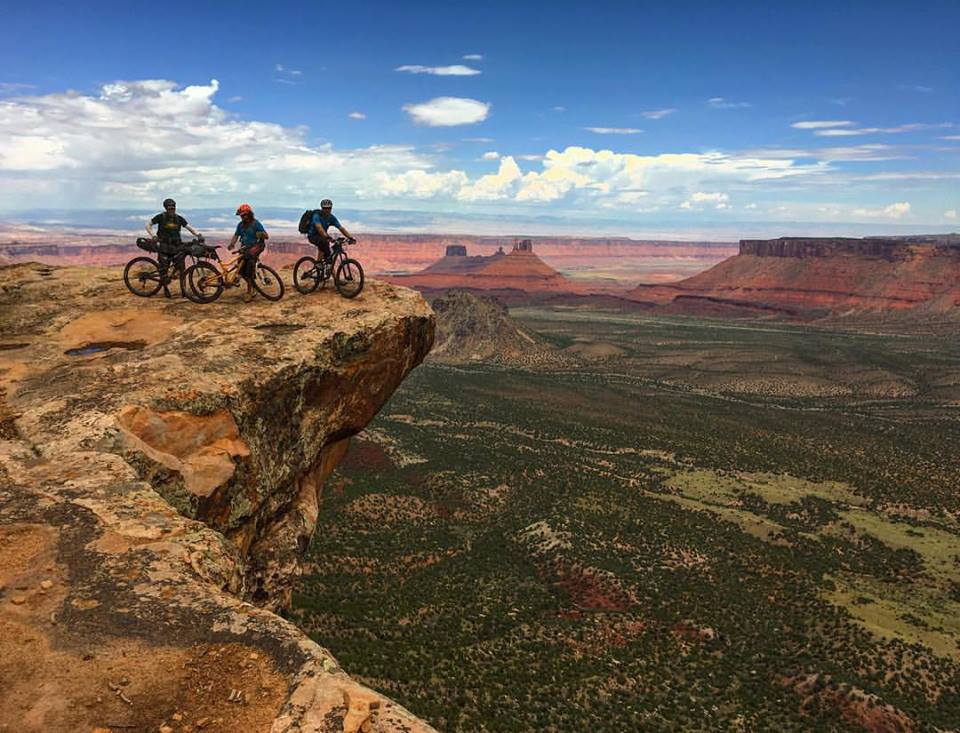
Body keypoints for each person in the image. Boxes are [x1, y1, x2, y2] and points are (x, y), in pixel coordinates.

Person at [145, 198, 204, 296]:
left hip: (177, 246)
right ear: (166, 208)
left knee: (181, 268)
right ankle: (165, 288)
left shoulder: (179, 218)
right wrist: (154, 236)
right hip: (164, 246)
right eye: (170, 208)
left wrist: (198, 235)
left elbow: (189, 228)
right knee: (164, 268)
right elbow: (148, 225)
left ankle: (183, 290)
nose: (172, 209)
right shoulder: (160, 217)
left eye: (173, 208)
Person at [226, 203, 268, 302]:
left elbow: (266, 235)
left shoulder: (255, 224)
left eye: (245, 215)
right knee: (240, 268)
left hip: (256, 246)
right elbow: (236, 235)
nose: (243, 217)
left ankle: (249, 292)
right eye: (241, 215)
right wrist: (232, 244)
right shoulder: (240, 225)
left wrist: (261, 235)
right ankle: (253, 286)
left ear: (249, 214)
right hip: (245, 248)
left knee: (249, 265)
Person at [306, 199, 355, 264]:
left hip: (322, 236)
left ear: (331, 208)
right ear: (322, 208)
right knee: (325, 246)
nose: (327, 210)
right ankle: (323, 262)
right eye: (325, 208)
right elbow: (319, 228)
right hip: (313, 236)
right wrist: (327, 237)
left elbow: (341, 228)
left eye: (329, 208)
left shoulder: (331, 218)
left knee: (325, 245)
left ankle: (320, 264)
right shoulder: (316, 216)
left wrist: (350, 237)